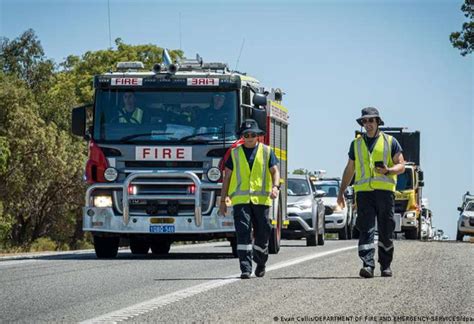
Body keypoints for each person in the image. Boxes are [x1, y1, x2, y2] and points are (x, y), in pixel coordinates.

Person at [337, 107, 405, 278]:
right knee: (365, 229)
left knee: (385, 229)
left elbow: (402, 165)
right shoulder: (356, 144)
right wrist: (341, 191)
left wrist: (388, 170)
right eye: (364, 121)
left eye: (371, 121)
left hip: (384, 193)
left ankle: (386, 265)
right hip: (364, 193)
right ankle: (368, 265)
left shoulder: (390, 141)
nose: (367, 124)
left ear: (378, 122)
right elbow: (350, 169)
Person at [219, 119, 280, 279]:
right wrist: (222, 200)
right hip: (240, 201)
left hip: (261, 201)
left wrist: (275, 187)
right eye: (246, 135)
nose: (250, 137)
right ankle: (245, 268)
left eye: (253, 134)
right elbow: (227, 178)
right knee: (243, 233)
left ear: (258, 136)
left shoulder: (267, 151)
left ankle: (260, 262)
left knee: (262, 233)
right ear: (242, 137)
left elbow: (275, 171)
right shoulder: (234, 153)